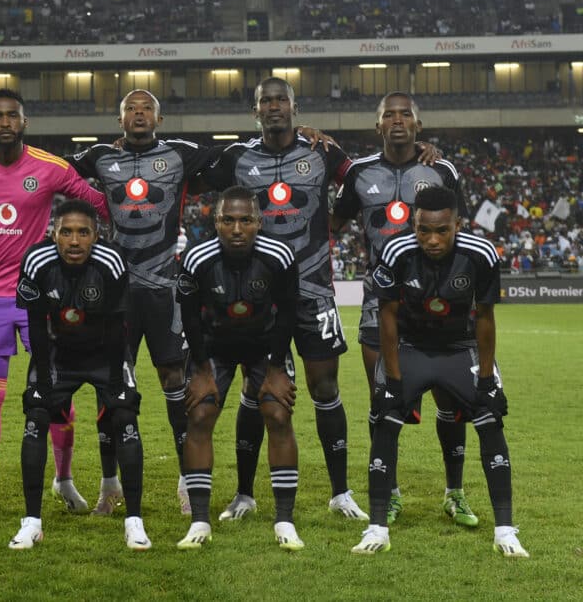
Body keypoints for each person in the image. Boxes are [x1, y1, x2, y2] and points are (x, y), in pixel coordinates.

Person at [66, 89, 336, 515]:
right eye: (131, 109)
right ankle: (109, 483)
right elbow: (51, 170)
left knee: (177, 382)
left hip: (164, 291)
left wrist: (295, 130)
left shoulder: (181, 153)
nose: (139, 114)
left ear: (159, 117)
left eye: (147, 108)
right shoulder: (101, 156)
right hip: (117, 293)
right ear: (120, 119)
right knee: (111, 384)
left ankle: (184, 481)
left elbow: (235, 153)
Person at [202, 77, 368, 521]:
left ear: (295, 108)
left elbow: (362, 180)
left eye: (281, 100)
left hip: (314, 292)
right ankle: (244, 494)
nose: (274, 107)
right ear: (255, 110)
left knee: (325, 387)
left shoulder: (321, 151)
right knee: (255, 390)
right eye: (266, 101)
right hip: (260, 299)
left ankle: (340, 492)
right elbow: (190, 174)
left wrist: (337, 219)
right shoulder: (238, 158)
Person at [0, 89, 110, 514]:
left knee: (58, 392)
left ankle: (63, 480)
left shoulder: (50, 167)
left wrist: (128, 188)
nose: (5, 122)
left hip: (40, 296)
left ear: (24, 121)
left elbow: (96, 205)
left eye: (12, 115)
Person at [352, 185, 528, 558]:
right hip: (411, 347)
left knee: (491, 417)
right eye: (423, 230)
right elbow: (387, 318)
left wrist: (486, 379)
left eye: (442, 231)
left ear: (457, 225)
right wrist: (392, 381)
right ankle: (377, 527)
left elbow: (485, 318)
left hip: (460, 348)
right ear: (413, 225)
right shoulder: (395, 251)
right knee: (385, 417)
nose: (432, 240)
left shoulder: (480, 253)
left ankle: (505, 531)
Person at [331, 92, 476, 527]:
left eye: (405, 114)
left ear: (418, 124)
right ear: (378, 125)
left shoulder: (441, 169)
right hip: (381, 301)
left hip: (438, 302)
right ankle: (389, 494)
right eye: (388, 115)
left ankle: (454, 493)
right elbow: (331, 225)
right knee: (383, 401)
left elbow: (461, 231)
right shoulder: (359, 173)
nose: (397, 120)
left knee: (451, 399)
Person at [9, 200, 149, 550]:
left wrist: (115, 384)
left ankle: (134, 522)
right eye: (66, 232)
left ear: (96, 235)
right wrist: (43, 379)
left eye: (83, 232)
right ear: (54, 234)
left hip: (105, 352)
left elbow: (117, 326)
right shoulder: (36, 260)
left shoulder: (111, 261)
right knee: (36, 414)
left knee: (125, 415)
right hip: (59, 353)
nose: (74, 241)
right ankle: (31, 523)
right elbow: (36, 325)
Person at [175, 187, 303, 551]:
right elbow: (189, 318)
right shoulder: (196, 258)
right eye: (228, 220)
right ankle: (200, 522)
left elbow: (288, 314)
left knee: (278, 413)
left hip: (265, 346)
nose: (236, 229)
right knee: (199, 414)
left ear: (258, 223)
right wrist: (202, 371)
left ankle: (284, 520)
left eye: (245, 220)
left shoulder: (279, 255)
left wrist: (276, 370)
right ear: (215, 222)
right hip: (214, 346)